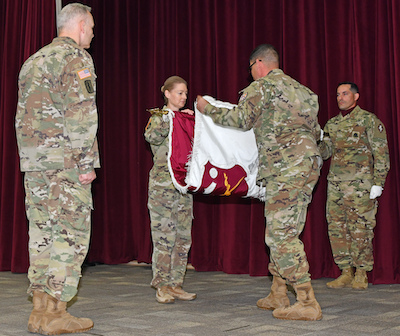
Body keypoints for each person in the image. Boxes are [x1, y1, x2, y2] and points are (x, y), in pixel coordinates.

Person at [196, 44, 323, 321]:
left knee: (280, 235)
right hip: (306, 164)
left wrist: (208, 109)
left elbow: (240, 119)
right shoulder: (305, 92)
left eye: (250, 68)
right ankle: (279, 291)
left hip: (285, 167)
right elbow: (317, 132)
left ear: (259, 63)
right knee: (285, 228)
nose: (250, 73)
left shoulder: (262, 87)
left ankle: (306, 300)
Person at [15, 3, 99, 334]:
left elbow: (21, 116)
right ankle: (58, 310)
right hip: (65, 162)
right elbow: (82, 115)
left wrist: (31, 157)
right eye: (90, 27)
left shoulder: (32, 61)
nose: (92, 33)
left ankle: (40, 309)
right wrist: (85, 162)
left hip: (35, 164)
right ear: (78, 26)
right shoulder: (76, 58)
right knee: (70, 235)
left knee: (41, 233)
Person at [319, 82, 390, 290]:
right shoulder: (331, 124)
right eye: (338, 94)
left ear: (356, 96)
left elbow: (381, 154)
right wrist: (316, 138)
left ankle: (362, 272)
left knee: (360, 229)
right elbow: (325, 154)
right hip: (336, 185)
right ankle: (345, 271)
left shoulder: (368, 120)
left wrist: (379, 183)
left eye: (345, 93)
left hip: (360, 186)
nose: (340, 98)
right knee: (336, 228)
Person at [145, 76, 197, 304]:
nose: (183, 97)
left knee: (183, 237)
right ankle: (162, 285)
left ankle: (176, 283)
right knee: (164, 237)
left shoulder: (188, 119)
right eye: (179, 93)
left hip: (183, 187)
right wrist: (171, 119)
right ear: (166, 93)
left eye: (185, 93)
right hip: (163, 187)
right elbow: (150, 136)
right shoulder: (159, 118)